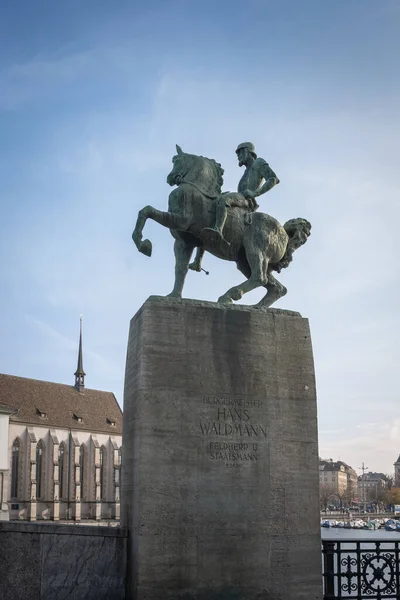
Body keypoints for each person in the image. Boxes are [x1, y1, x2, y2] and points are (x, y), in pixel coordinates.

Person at [203, 142, 280, 244]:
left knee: (223, 200)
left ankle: (218, 230)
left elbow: (273, 179)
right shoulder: (247, 170)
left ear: (248, 152)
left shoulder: (259, 163)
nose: (238, 157)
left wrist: (255, 193)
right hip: (241, 197)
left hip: (247, 199)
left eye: (240, 153)